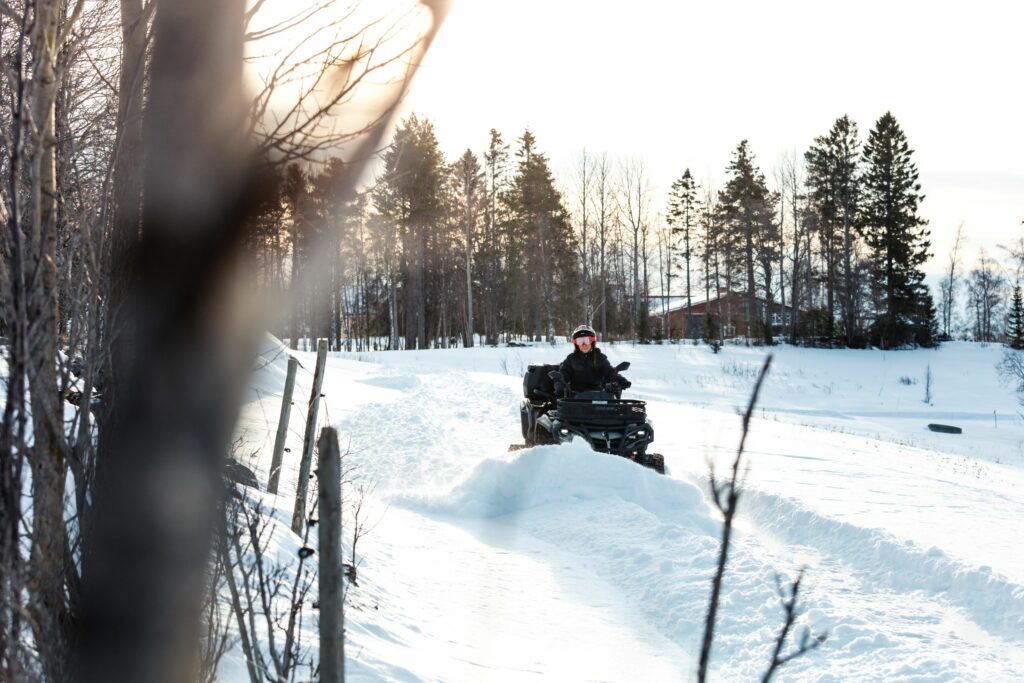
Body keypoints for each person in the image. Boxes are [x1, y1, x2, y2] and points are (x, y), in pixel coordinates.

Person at [556, 324, 630, 396]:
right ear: (576, 344)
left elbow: (610, 373)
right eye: (580, 341)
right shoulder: (571, 359)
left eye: (586, 340)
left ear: (592, 342)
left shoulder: (600, 358)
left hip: (597, 396)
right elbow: (563, 374)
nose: (583, 344)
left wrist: (621, 380)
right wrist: (560, 385)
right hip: (575, 397)